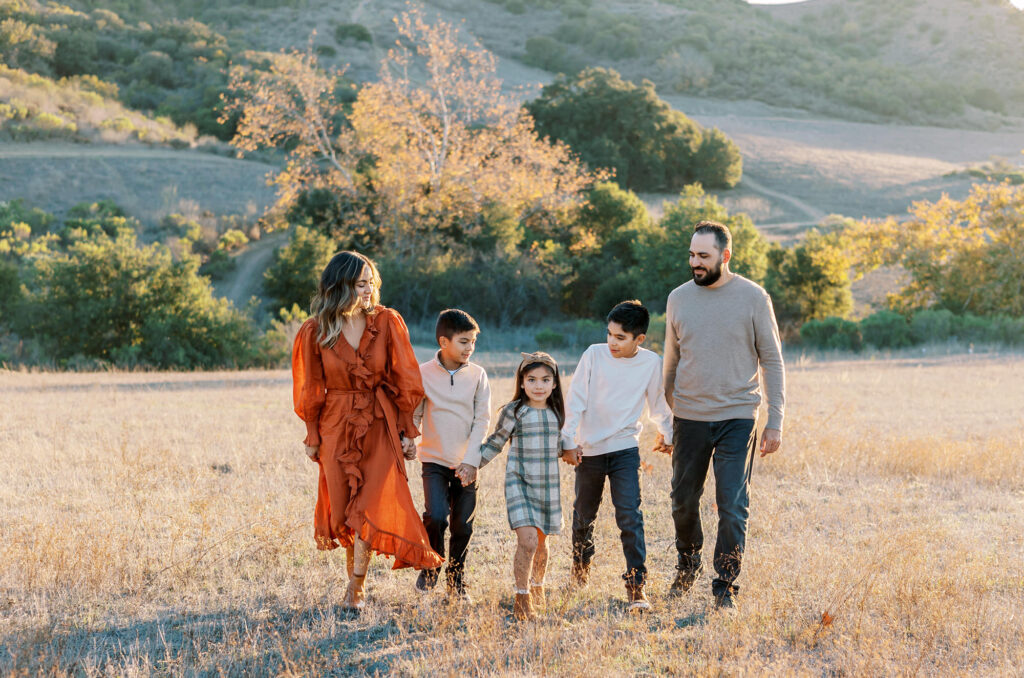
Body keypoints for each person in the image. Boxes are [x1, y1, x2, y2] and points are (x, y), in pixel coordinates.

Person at [292, 251, 443, 611]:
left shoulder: (387, 322)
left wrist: (408, 430)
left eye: (371, 282)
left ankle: (356, 587)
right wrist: (312, 434)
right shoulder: (316, 330)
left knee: (372, 501)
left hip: (379, 420)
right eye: (361, 284)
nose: (368, 290)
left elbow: (404, 377)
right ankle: (352, 580)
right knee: (346, 507)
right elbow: (310, 387)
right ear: (340, 286)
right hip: (336, 423)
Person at [663, 220, 786, 612]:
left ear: (725, 256)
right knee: (683, 500)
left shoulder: (753, 297)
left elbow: (772, 359)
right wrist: (671, 411)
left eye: (704, 256)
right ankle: (688, 564)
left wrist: (776, 418)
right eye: (691, 255)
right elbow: (671, 358)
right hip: (689, 416)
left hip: (737, 415)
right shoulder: (678, 298)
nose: (695, 263)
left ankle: (725, 586)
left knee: (731, 503)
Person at [561, 300, 674, 612]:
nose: (612, 341)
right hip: (590, 451)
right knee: (584, 515)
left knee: (630, 516)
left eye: (620, 337)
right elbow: (576, 400)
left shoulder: (650, 362)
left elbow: (658, 403)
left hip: (625, 449)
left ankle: (636, 586)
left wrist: (669, 433)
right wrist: (567, 441)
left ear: (639, 339)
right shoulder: (594, 355)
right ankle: (580, 570)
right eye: (610, 334)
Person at [456, 352, 571, 621]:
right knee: (528, 541)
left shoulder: (558, 414)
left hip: (548, 486)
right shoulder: (515, 411)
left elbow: (561, 448)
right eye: (531, 379)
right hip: (519, 483)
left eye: (545, 379)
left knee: (541, 543)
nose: (538, 385)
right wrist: (472, 464)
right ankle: (522, 598)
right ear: (521, 382)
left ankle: (537, 586)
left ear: (555, 383)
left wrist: (574, 452)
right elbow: (495, 442)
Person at [412, 309, 491, 602]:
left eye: (473, 342)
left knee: (463, 525)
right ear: (444, 342)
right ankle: (432, 565)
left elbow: (482, 420)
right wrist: (409, 439)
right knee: (435, 517)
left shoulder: (478, 375)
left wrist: (471, 461)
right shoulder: (423, 373)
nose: (470, 348)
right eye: (463, 342)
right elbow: (416, 412)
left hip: (466, 463)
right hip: (433, 459)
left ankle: (457, 580)